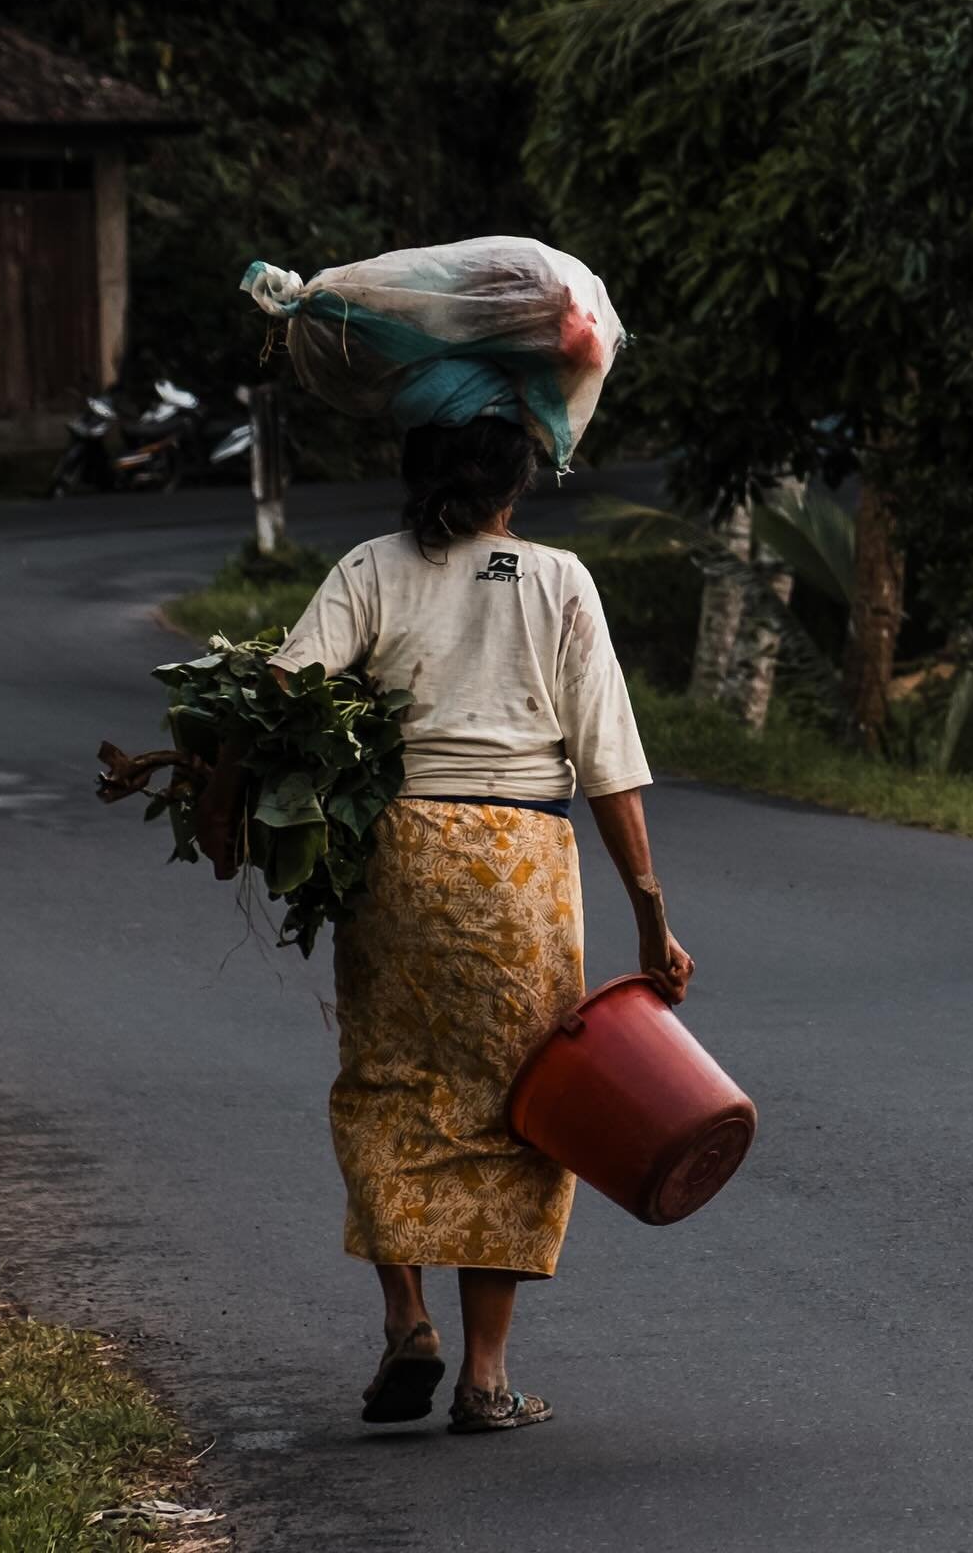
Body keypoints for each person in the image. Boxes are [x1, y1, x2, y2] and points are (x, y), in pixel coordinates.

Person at [269, 415, 693, 1434]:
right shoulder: (558, 581)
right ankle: (486, 1379)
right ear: (518, 486)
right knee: (523, 1105)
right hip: (520, 868)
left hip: (397, 857)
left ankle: (408, 1318)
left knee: (389, 1084)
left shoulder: (371, 569)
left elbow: (286, 686)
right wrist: (651, 921)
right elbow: (609, 766)